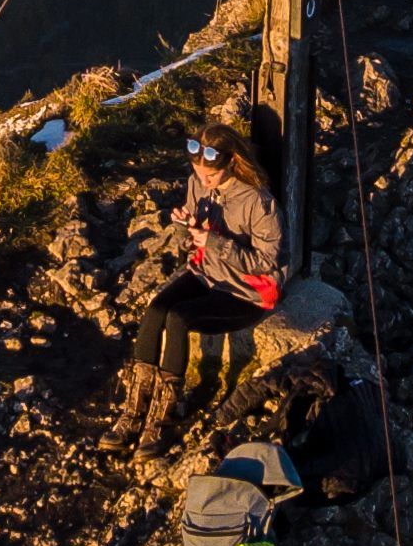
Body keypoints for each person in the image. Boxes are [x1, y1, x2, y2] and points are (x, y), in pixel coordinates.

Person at [108, 120, 283, 455]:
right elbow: (191, 244)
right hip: (206, 273)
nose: (203, 180)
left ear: (232, 162)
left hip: (244, 291)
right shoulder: (196, 184)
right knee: (156, 310)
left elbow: (266, 262)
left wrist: (213, 242)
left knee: (178, 318)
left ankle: (162, 419)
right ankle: (134, 410)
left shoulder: (258, 201)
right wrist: (188, 230)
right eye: (198, 172)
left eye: (210, 175)